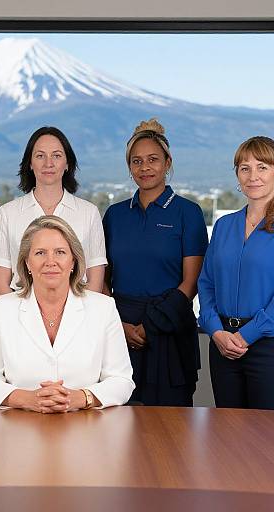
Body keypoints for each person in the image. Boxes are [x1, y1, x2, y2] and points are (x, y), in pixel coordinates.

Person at [0, 215, 134, 411]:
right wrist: (28, 399)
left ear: (73, 261)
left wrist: (80, 398)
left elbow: (122, 380)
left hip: (86, 427)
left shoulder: (104, 308)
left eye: (60, 252)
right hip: (19, 427)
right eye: (40, 253)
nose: (51, 261)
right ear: (27, 263)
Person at [103, 118, 208, 406]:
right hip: (120, 331)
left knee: (170, 433)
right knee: (117, 429)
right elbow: (102, 280)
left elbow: (192, 282)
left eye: (153, 160)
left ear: (167, 162)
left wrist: (152, 325)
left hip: (171, 329)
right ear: (129, 167)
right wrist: (119, 325)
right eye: (137, 161)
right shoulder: (114, 215)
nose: (144, 167)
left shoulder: (188, 213)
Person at [198, 136, 274, 411]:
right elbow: (207, 283)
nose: (253, 176)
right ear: (237, 175)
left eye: (262, 167)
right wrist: (215, 330)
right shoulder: (224, 226)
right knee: (228, 438)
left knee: (271, 444)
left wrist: (247, 336)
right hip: (223, 346)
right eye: (244, 168)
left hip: (272, 348)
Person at [0, 126, 107, 296]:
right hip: (20, 316)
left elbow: (95, 284)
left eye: (57, 156)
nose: (48, 163)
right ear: (30, 163)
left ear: (67, 163)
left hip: (78, 316)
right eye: (40, 156)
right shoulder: (7, 214)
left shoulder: (89, 213)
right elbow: (1, 286)